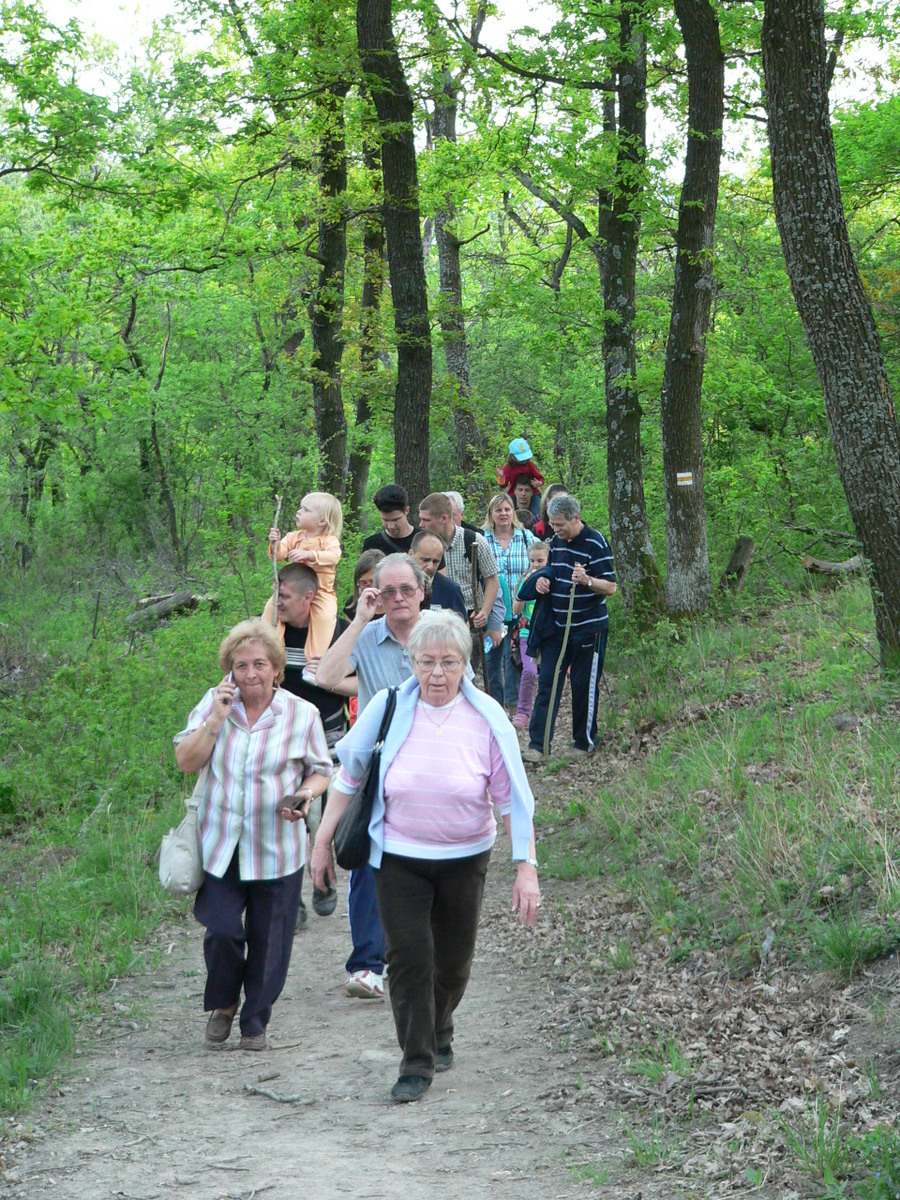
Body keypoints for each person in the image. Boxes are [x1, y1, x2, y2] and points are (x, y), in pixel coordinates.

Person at [311, 610, 540, 1103]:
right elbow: (348, 777)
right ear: (412, 662)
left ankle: (439, 1029)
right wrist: (321, 843)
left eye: (449, 662)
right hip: (398, 857)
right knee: (409, 959)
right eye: (428, 662)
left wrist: (526, 867)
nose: (438, 673)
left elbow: (511, 800)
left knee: (453, 965)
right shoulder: (389, 706)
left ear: (465, 666)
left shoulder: (487, 719)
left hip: (465, 858)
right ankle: (416, 1062)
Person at [174, 619, 332, 1050]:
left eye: (260, 664)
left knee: (270, 940)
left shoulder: (301, 714)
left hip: (277, 846)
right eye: (241, 666)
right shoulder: (215, 703)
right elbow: (186, 761)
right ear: (230, 669)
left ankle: (255, 1021)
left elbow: (321, 771)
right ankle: (224, 1003)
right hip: (222, 844)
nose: (250, 674)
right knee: (222, 930)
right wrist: (215, 720)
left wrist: (304, 795)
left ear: (276, 669)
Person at [314, 554, 429, 1000]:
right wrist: (361, 619)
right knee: (365, 859)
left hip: (429, 764)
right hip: (375, 766)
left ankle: (414, 958)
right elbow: (326, 676)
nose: (398, 598)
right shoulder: (365, 635)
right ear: (374, 594)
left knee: (422, 863)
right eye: (388, 591)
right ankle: (366, 964)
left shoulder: (439, 632)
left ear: (422, 592)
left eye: (407, 590)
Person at [263, 563, 357, 923]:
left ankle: (322, 880)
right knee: (288, 819)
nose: (278, 601)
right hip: (283, 741)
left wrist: (327, 679)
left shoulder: (338, 632)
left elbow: (362, 682)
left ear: (309, 598)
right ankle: (292, 901)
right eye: (276, 594)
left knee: (319, 822)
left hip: (328, 739)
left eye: (284, 596)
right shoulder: (270, 631)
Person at [520, 494, 617, 763]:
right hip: (557, 628)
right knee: (548, 683)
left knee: (583, 685)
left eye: (560, 524)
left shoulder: (596, 542)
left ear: (576, 518)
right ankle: (538, 746)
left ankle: (583, 742)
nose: (556, 529)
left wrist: (587, 581)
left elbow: (610, 587)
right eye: (552, 524)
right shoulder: (556, 543)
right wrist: (542, 581)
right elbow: (551, 570)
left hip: (589, 629)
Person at [268, 493, 343, 657]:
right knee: (270, 608)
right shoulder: (293, 537)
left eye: (306, 509)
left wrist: (311, 555)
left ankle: (316, 658)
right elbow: (279, 555)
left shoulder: (329, 540)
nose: (299, 511)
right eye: (300, 507)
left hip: (322, 591)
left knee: (325, 617)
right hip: (292, 590)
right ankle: (271, 651)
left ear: (322, 521)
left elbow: (334, 556)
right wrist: (275, 544)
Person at [481, 494, 536, 714]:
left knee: (514, 658)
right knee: (491, 658)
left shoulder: (526, 537)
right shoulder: (482, 539)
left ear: (513, 512)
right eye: (498, 510)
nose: (503, 514)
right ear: (491, 514)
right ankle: (495, 705)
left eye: (507, 509)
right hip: (493, 610)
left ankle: (513, 705)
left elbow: (541, 562)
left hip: (521, 609)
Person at [417, 492, 499, 630]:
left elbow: (492, 579)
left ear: (444, 518)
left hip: (471, 616)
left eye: (426, 520)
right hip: (436, 617)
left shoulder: (473, 540)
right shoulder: (423, 544)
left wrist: (485, 611)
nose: (421, 524)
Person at [511, 539, 550, 729]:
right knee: (529, 671)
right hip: (528, 632)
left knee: (549, 674)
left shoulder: (553, 579)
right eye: (532, 561)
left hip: (548, 633)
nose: (535, 565)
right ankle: (523, 711)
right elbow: (516, 609)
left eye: (540, 561)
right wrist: (525, 589)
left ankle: (547, 713)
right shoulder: (526, 580)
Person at [410, 531, 468, 621]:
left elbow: (462, 626)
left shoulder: (450, 589)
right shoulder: (397, 586)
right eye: (425, 560)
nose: (430, 567)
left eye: (435, 562)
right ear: (411, 554)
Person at [361, 484, 419, 556]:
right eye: (385, 520)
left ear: (407, 511)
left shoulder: (424, 540)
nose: (391, 526)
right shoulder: (372, 544)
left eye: (396, 520)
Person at [496, 438, 543, 518]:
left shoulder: (530, 465)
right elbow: (503, 485)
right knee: (510, 512)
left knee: (537, 513)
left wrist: (538, 483)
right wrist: (501, 477)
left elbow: (541, 478)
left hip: (532, 491)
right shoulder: (508, 467)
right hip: (513, 492)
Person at [343, 549, 385, 622]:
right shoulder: (353, 606)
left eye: (372, 581)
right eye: (364, 582)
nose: (369, 588)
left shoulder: (395, 604)